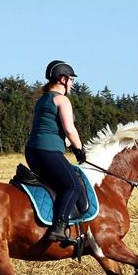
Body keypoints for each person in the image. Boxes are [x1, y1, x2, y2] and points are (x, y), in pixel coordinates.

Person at [25, 60, 87, 243]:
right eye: (72, 80)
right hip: (48, 151)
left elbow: (52, 128)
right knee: (73, 185)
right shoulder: (62, 100)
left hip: (32, 151)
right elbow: (70, 129)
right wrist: (79, 149)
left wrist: (66, 142)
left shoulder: (42, 100)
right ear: (62, 79)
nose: (73, 84)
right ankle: (59, 228)